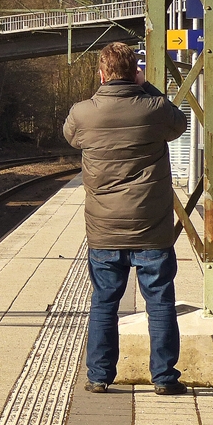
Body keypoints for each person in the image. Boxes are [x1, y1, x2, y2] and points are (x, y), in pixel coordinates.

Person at [63, 42, 188, 396]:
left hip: (104, 229)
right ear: (135, 72)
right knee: (160, 303)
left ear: (102, 74)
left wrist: (103, 91)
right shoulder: (155, 108)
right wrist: (145, 85)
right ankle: (164, 378)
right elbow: (177, 124)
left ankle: (99, 376)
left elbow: (70, 137)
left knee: (104, 302)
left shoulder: (83, 113)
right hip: (152, 229)